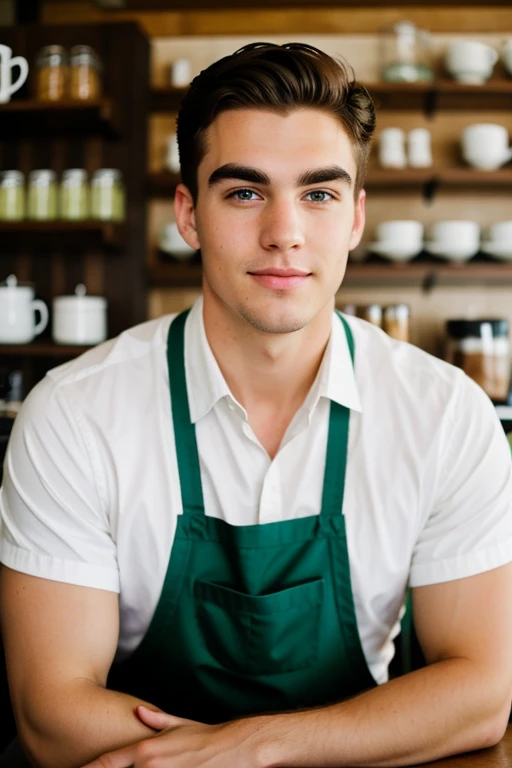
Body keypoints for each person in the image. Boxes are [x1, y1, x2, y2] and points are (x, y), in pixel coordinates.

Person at [1, 41, 512, 768]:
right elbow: (52, 713)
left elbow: (482, 693)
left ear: (357, 218)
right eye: (244, 192)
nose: (285, 233)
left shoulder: (446, 417)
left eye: (319, 193)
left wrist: (255, 747)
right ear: (188, 214)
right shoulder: (73, 416)